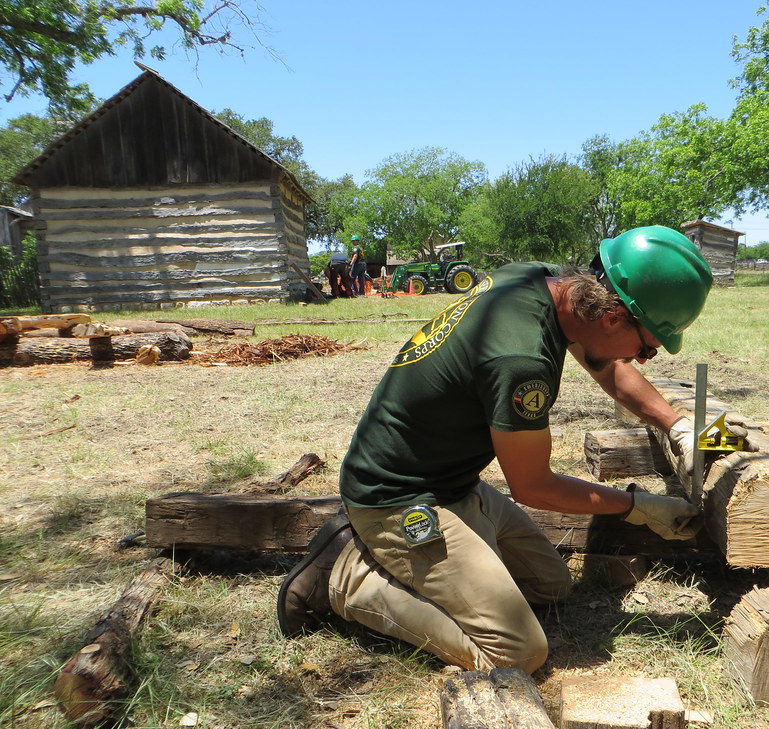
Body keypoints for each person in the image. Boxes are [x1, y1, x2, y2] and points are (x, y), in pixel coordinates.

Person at [278, 225, 714, 674]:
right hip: (398, 497)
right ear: (611, 317)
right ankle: (346, 578)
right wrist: (636, 506)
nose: (642, 360)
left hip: (452, 482)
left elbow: (608, 368)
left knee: (550, 585)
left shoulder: (539, 282)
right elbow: (533, 486)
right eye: (648, 348)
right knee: (518, 652)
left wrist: (676, 423)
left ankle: (451, 553)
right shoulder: (520, 359)